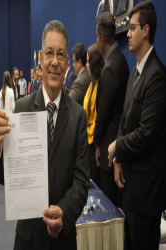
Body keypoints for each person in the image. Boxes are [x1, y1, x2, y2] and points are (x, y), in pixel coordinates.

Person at [0, 20, 89, 250]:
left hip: (64, 240)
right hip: (28, 239)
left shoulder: (78, 116)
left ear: (66, 64)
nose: (55, 61)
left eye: (61, 55)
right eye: (50, 54)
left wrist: (64, 211)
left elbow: (82, 182)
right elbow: (7, 179)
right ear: (41, 58)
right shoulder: (21, 109)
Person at [108, 2, 166, 249]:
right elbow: (124, 118)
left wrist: (116, 147)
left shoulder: (157, 76)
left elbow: (146, 134)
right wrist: (119, 159)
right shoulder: (135, 73)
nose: (127, 34)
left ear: (146, 30)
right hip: (130, 190)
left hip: (146, 196)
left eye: (132, 29)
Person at [93, 12, 129, 208]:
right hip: (117, 143)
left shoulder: (110, 68)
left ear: (102, 37)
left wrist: (97, 142)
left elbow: (103, 114)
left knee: (109, 211)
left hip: (110, 149)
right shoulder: (121, 60)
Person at [83, 43, 104, 181]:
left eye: (88, 61)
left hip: (92, 145)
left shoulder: (100, 86)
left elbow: (97, 120)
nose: (86, 65)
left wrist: (87, 134)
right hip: (87, 144)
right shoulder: (92, 84)